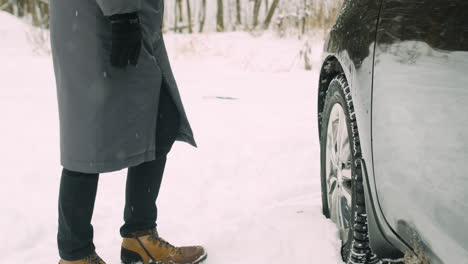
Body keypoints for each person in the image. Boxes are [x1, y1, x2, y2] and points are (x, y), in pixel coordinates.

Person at [49, 0, 207, 263]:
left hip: (100, 20)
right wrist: (123, 15)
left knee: (152, 123)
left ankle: (133, 237)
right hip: (104, 22)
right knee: (89, 138)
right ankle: (81, 251)